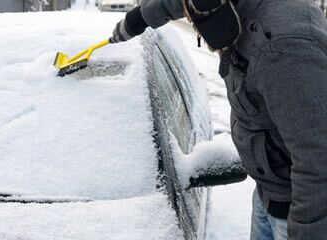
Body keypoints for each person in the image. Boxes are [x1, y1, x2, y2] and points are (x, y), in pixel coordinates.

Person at [109, 0, 327, 239]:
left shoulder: (284, 48)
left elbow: (318, 159)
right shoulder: (230, 6)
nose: (193, 20)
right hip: (268, 193)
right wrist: (137, 20)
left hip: (299, 212)